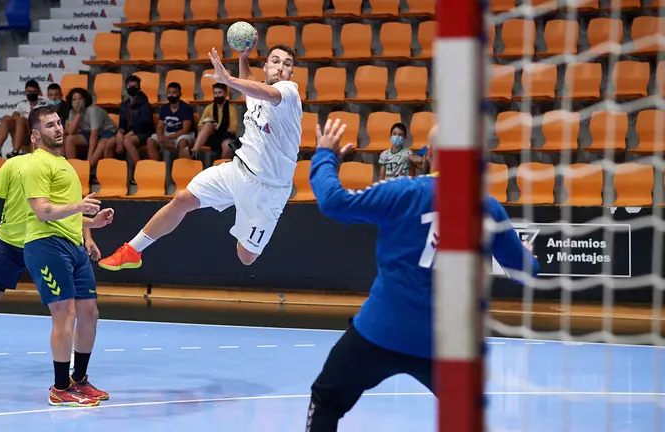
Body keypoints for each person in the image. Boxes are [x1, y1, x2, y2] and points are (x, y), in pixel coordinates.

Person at [304, 119, 540, 431]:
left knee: (326, 401)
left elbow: (334, 202)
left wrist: (325, 156)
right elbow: (524, 272)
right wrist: (526, 252)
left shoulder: (402, 191)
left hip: (380, 331)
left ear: (430, 153)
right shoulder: (488, 209)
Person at [98, 40, 302, 271]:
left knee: (246, 257)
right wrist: (244, 58)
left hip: (269, 189)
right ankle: (132, 251)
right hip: (238, 170)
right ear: (265, 67)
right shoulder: (255, 90)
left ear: (291, 73)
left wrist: (229, 80)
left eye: (286, 64)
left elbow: (263, 90)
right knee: (182, 199)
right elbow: (251, 84)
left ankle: (247, 222)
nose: (280, 67)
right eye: (275, 62)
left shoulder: (288, 93)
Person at [0, 145, 103, 371]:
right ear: (35, 136)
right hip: (11, 242)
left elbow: (72, 210)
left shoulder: (60, 168)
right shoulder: (14, 165)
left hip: (46, 242)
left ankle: (68, 352)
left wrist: (87, 237)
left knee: (67, 304)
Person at [20, 106, 115, 407]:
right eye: (50, 125)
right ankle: (60, 387)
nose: (58, 128)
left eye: (60, 123)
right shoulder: (36, 164)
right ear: (35, 134)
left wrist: (91, 223)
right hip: (47, 246)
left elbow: (67, 214)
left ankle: (80, 380)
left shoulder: (65, 164)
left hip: (73, 246)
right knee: (66, 315)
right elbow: (42, 211)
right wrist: (78, 208)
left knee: (89, 314)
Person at [0, 80, 47, 160]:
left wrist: (22, 120)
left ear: (38, 91)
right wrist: (19, 120)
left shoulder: (44, 104)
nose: (31, 94)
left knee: (21, 120)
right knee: (6, 119)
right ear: (25, 92)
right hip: (21, 132)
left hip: (36, 133)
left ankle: (16, 151)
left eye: (34, 92)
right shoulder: (22, 104)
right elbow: (14, 117)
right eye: (29, 91)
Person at [63, 87, 118, 171]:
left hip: (106, 132)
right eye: (74, 99)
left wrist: (88, 160)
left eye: (80, 99)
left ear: (85, 100)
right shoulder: (72, 112)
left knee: (101, 145)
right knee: (69, 139)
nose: (77, 102)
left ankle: (88, 168)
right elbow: (70, 132)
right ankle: (72, 169)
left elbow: (94, 135)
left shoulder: (93, 110)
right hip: (88, 133)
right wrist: (79, 115)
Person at [146, 82, 196, 161]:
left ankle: (180, 169)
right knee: (150, 141)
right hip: (168, 133)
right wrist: (160, 136)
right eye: (169, 93)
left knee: (182, 142)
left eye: (174, 93)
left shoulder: (186, 107)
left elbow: (186, 129)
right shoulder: (164, 108)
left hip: (184, 134)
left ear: (180, 94)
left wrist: (169, 137)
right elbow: (160, 126)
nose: (171, 95)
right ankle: (157, 169)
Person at [191, 83, 238, 161]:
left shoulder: (231, 109)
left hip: (225, 137)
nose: (217, 95)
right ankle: (194, 151)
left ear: (226, 94)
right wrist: (210, 125)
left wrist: (217, 126)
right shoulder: (209, 108)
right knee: (208, 125)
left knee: (228, 146)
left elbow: (232, 130)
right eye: (215, 93)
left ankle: (221, 168)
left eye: (220, 93)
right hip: (211, 136)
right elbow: (200, 127)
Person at [115, 75, 155, 167]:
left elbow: (144, 124)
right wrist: (119, 134)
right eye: (129, 86)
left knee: (127, 141)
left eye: (134, 86)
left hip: (144, 133)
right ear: (126, 87)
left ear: (139, 88)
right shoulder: (124, 105)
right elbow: (122, 123)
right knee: (110, 142)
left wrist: (127, 135)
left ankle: (140, 169)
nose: (131, 88)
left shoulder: (145, 104)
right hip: (129, 133)